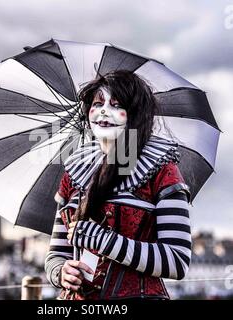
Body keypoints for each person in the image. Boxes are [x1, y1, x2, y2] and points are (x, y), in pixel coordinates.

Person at [44, 69, 192, 300]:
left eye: (116, 105)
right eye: (98, 103)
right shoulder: (74, 172)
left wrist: (105, 241)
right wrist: (60, 272)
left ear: (134, 115)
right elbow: (57, 253)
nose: (104, 111)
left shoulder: (162, 170)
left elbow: (176, 260)